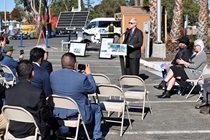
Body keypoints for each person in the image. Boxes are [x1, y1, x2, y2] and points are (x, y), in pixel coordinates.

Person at [50, 52, 103, 140]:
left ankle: (65, 130)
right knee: (97, 107)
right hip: (77, 114)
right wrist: (89, 74)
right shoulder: (81, 78)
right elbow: (92, 89)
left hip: (58, 113)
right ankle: (97, 136)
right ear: (75, 65)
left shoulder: (53, 75)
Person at [5, 60, 59, 139]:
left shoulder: (8, 92)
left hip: (13, 129)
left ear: (16, 74)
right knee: (53, 124)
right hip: (31, 131)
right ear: (32, 74)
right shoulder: (38, 93)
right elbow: (44, 115)